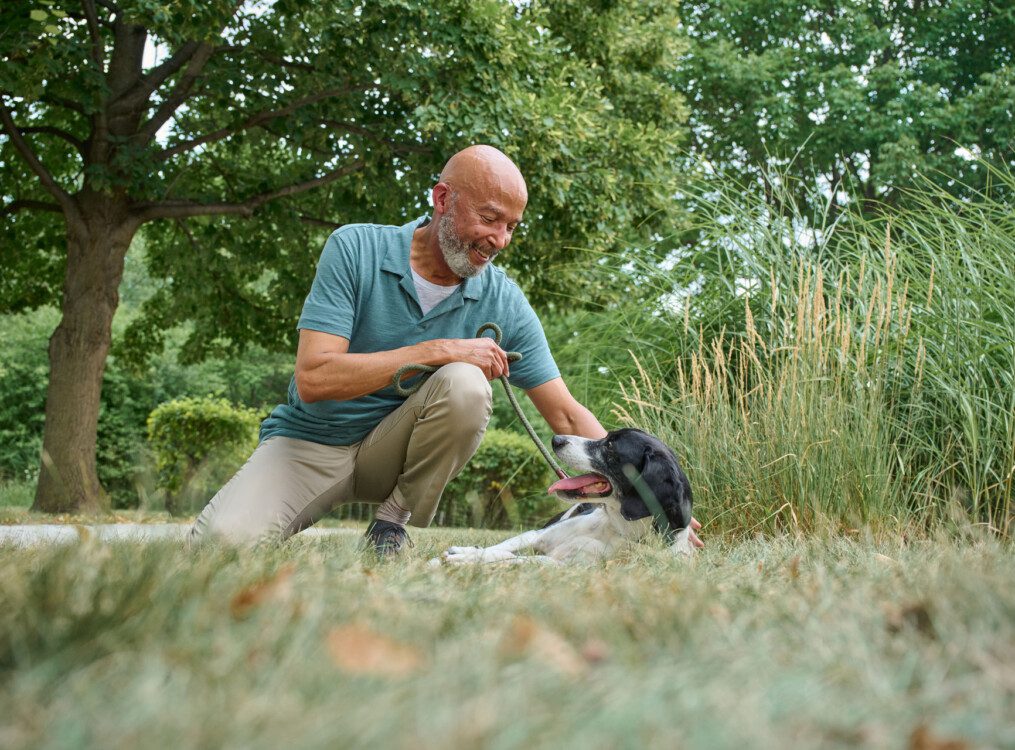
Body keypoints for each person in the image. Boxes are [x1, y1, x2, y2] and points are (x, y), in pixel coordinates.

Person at [190, 145, 703, 554]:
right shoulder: (354, 248)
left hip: (397, 461)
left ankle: (390, 527)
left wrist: (659, 501)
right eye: (490, 218)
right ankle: (290, 511)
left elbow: (566, 413)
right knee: (218, 548)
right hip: (310, 445)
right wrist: (438, 349)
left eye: (511, 228)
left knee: (465, 385)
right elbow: (315, 379)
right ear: (441, 200)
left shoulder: (503, 299)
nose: (500, 239)